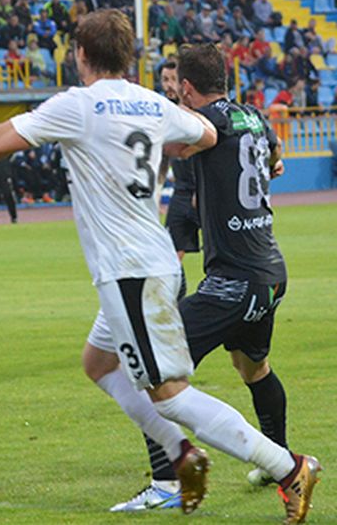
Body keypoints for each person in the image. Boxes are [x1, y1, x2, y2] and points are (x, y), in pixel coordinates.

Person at [0, 11, 320, 522]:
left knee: (169, 395)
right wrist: (264, 151)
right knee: (98, 363)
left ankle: (287, 467)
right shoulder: (150, 101)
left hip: (131, 269)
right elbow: (206, 134)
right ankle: (181, 456)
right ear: (129, 57)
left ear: (81, 55)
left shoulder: (78, 103)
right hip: (150, 259)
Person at [114, 43, 299, 512]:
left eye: (180, 90)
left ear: (189, 88)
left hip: (233, 281)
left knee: (153, 369)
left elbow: (172, 143)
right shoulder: (253, 116)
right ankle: (279, 462)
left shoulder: (205, 124)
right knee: (252, 368)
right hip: (270, 273)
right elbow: (274, 160)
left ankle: (165, 483)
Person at [158, 59, 200, 264]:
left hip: (206, 193)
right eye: (165, 79)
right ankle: (173, 295)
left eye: (173, 79)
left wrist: (201, 190)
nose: (168, 85)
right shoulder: (165, 115)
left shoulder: (197, 114)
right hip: (182, 192)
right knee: (170, 256)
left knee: (221, 253)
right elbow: (164, 157)